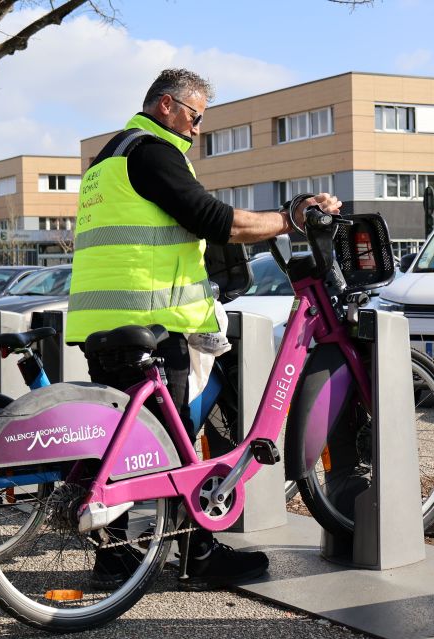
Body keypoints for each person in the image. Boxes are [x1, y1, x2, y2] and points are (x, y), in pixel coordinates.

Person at [65, 68, 341, 591]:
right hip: (156, 320)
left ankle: (117, 559)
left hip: (101, 319)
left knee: (130, 445)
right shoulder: (152, 151)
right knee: (174, 445)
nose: (196, 129)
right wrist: (290, 218)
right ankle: (198, 555)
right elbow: (214, 219)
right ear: (167, 105)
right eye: (195, 116)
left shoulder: (107, 159)